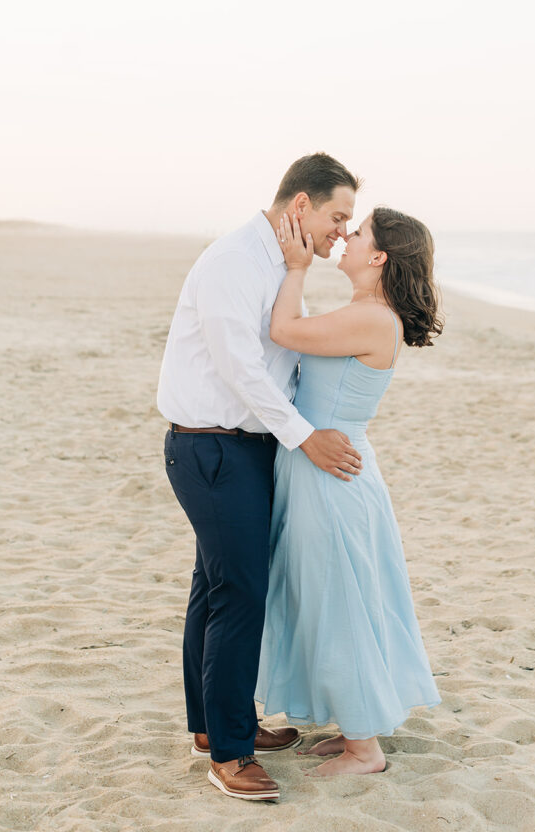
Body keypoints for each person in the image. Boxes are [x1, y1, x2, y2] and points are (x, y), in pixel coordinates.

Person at [157, 153, 364, 802]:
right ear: (300, 206)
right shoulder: (234, 263)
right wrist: (307, 438)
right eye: (338, 216)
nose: (341, 230)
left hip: (246, 450)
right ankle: (230, 753)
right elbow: (242, 368)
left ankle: (214, 726)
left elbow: (284, 360)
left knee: (214, 589)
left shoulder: (281, 265)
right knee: (239, 595)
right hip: (212, 449)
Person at [255, 205, 443, 776]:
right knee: (331, 597)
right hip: (321, 466)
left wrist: (295, 266)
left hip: (331, 476)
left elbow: (282, 331)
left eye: (358, 234)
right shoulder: (365, 310)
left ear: (379, 256)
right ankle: (354, 726)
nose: (347, 237)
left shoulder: (374, 317)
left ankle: (365, 749)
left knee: (339, 603)